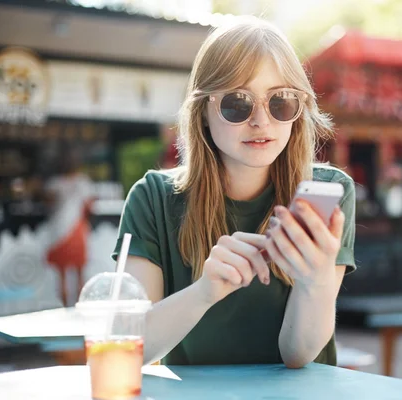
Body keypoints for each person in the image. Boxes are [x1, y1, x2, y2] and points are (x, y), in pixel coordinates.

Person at [112, 17, 356, 368]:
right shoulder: (152, 198)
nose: (261, 120)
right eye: (237, 103)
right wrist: (204, 292)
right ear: (204, 114)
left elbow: (298, 354)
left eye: (281, 101)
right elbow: (127, 349)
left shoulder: (328, 192)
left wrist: (314, 282)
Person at [45, 148, 95, 306]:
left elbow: (48, 204)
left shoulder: (53, 184)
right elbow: (89, 206)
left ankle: (65, 310)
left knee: (62, 277)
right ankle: (79, 311)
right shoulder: (83, 182)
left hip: (58, 232)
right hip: (77, 230)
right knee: (80, 275)